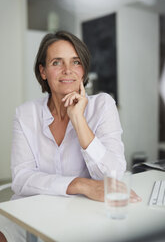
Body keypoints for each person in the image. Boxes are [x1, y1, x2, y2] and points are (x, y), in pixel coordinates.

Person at [0, 31, 141, 242]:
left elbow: (113, 176)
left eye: (75, 62)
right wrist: (80, 184)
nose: (68, 71)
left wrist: (79, 121)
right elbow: (21, 180)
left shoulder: (103, 105)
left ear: (83, 70)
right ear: (43, 71)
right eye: (57, 62)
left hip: (81, 213)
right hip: (30, 210)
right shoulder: (25, 114)